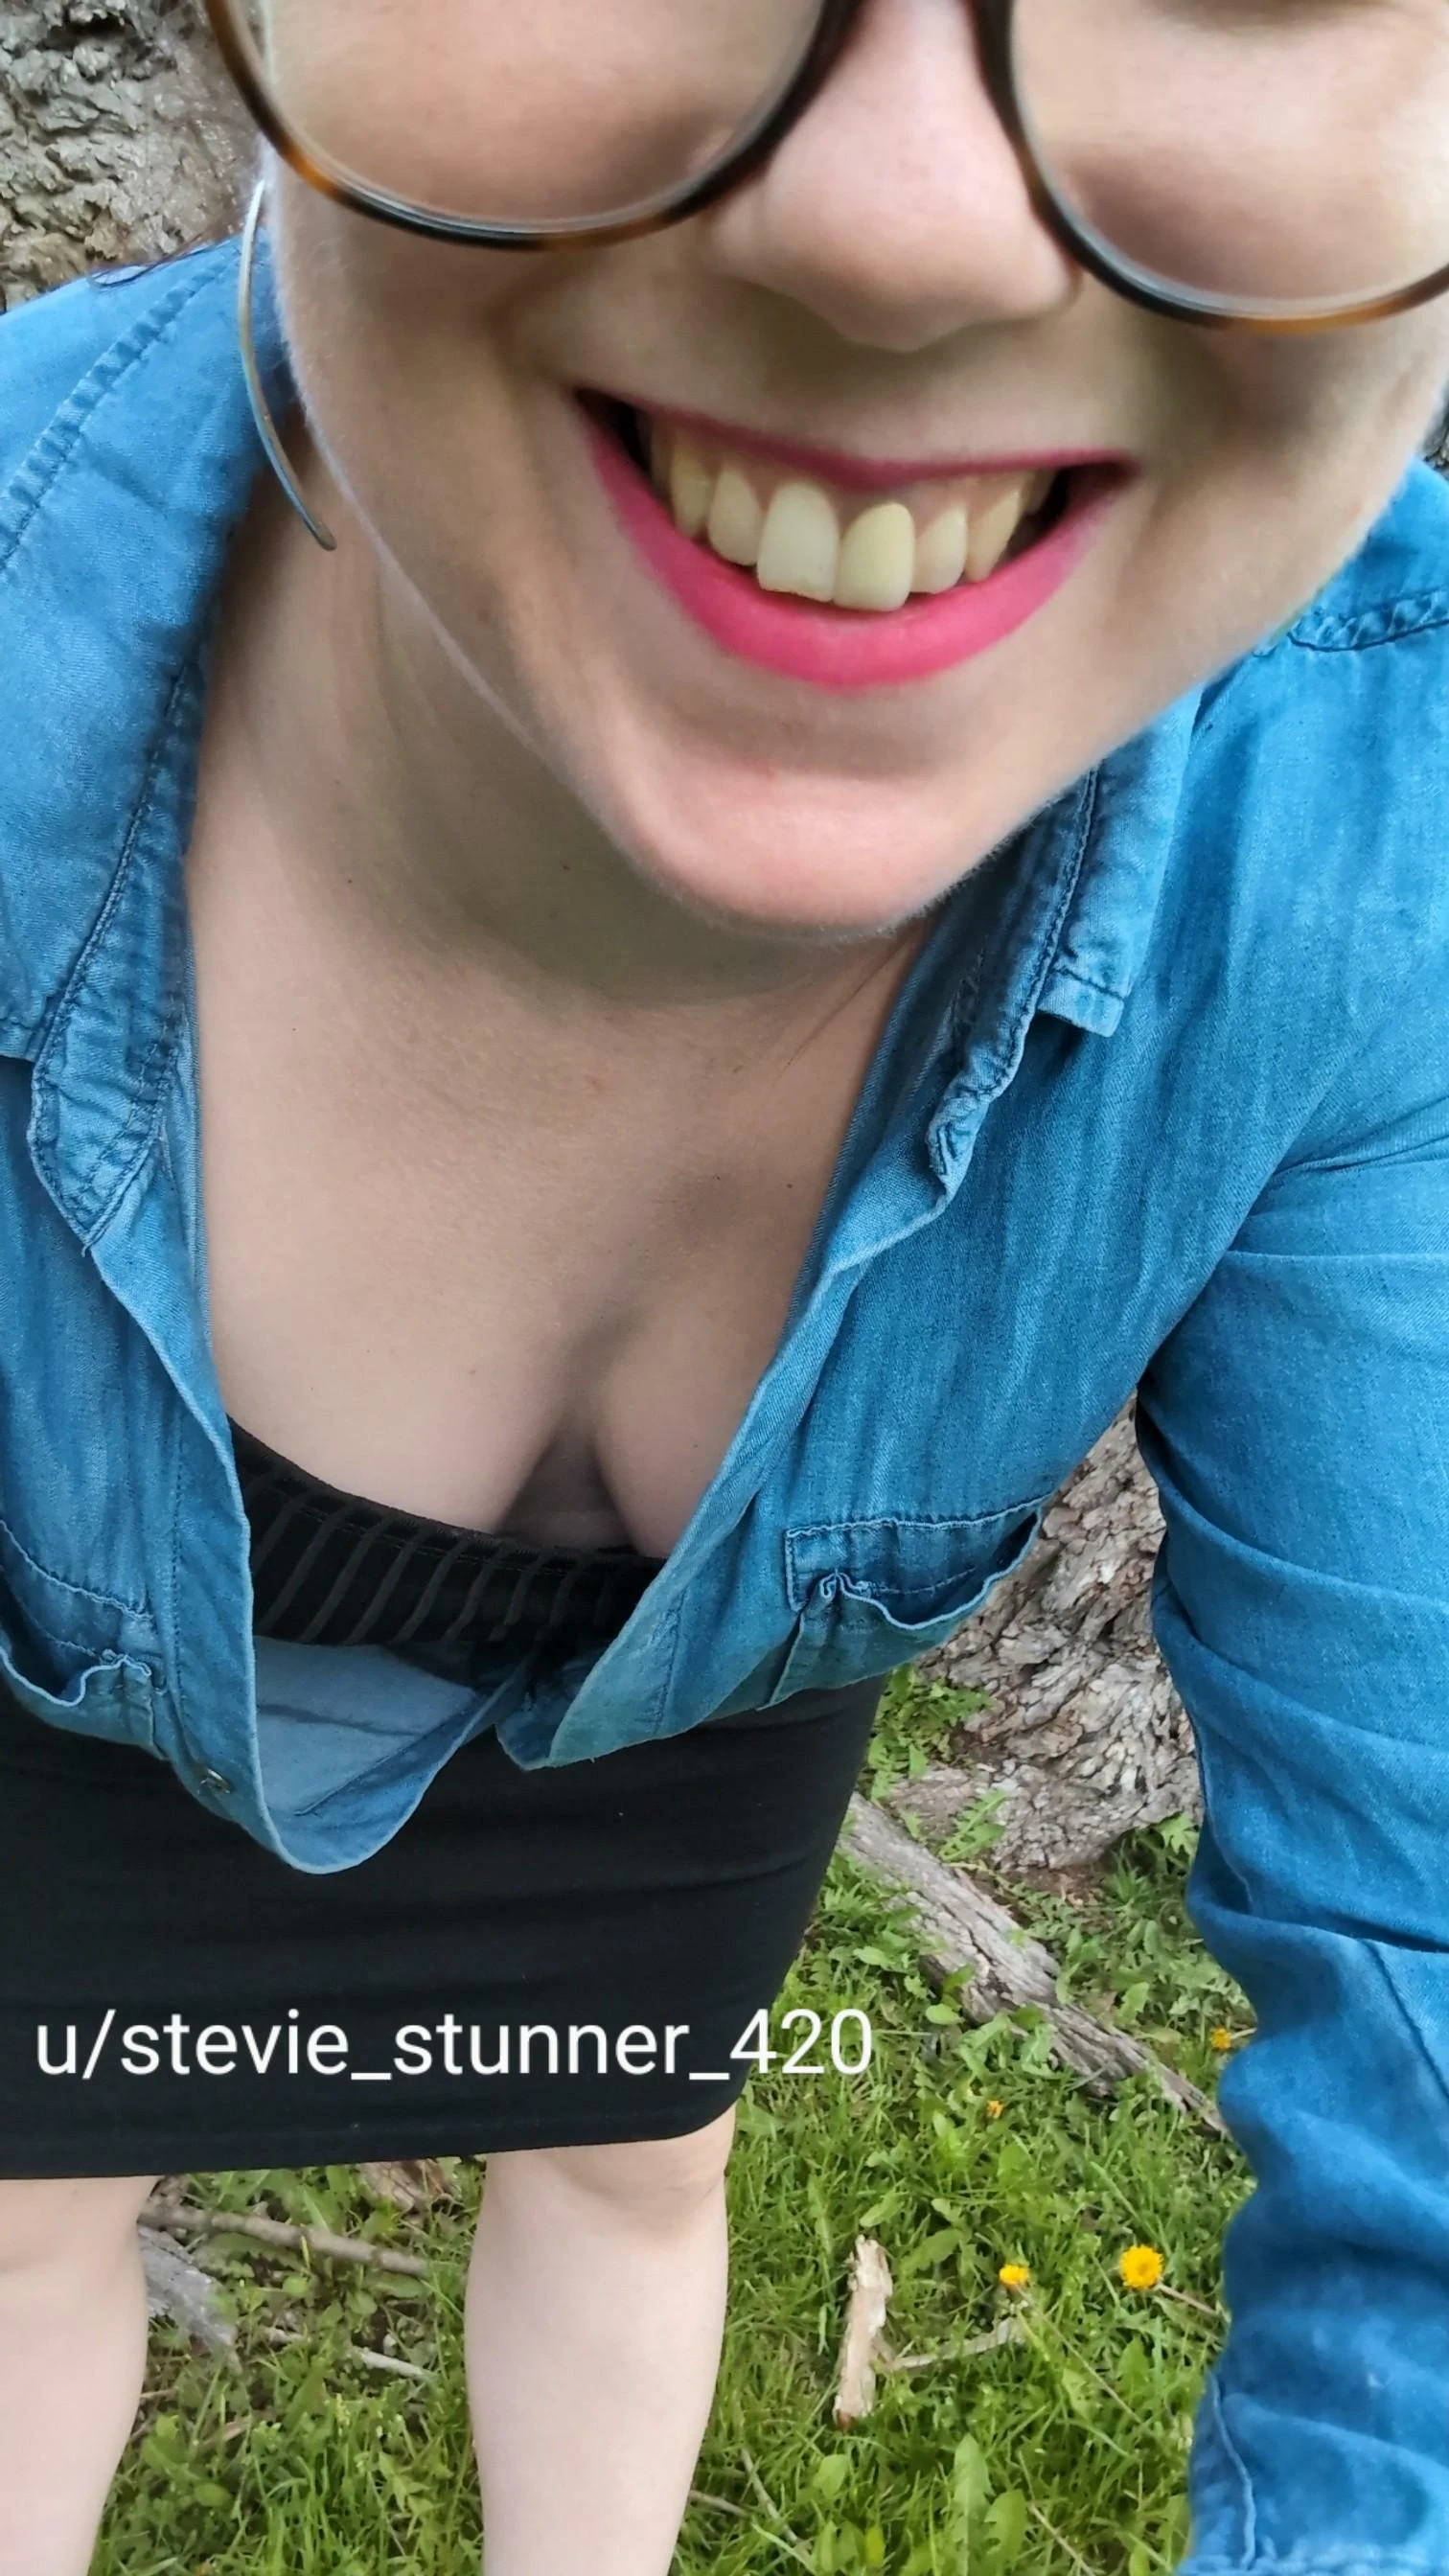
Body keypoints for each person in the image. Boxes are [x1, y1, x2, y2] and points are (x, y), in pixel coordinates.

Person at [1, 0, 1447, 2566]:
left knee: (630, 2153)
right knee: (21, 2207)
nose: (899, 230)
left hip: (683, 1718)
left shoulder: (1381, 847)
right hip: (63, 1708)